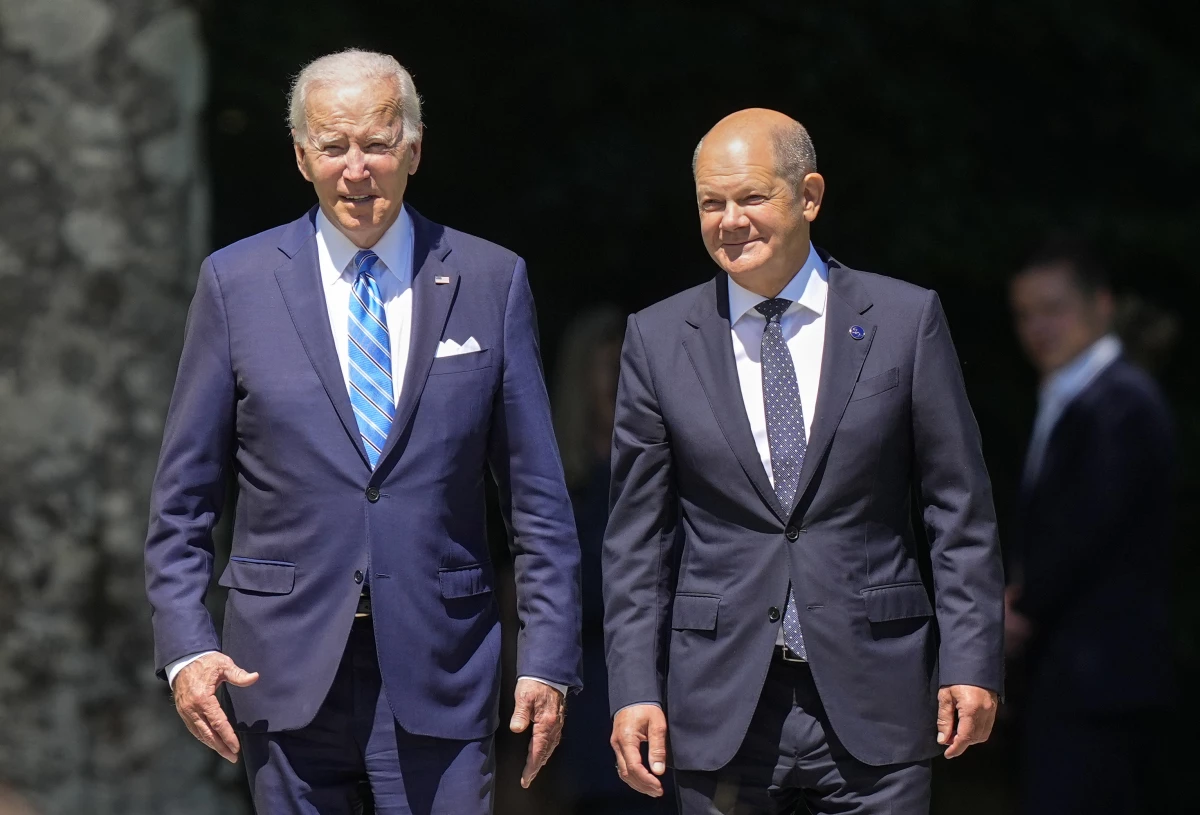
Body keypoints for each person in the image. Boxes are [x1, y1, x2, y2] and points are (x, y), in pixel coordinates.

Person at [143, 49, 582, 814]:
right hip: (279, 670)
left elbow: (537, 499)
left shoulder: (488, 279)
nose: (356, 168)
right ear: (301, 154)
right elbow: (182, 501)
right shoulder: (234, 284)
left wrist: (547, 658)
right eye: (334, 145)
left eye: (376, 144)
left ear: (413, 149)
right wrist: (186, 646)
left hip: (442, 664)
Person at [602, 109, 1004, 814]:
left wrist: (971, 660)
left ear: (809, 195)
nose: (730, 220)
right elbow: (637, 538)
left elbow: (957, 509)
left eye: (751, 196)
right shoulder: (659, 338)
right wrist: (635, 685)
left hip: (875, 697)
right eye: (710, 202)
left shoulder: (906, 321)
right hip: (720, 706)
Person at [1006, 238, 1176, 815]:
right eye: (1025, 314)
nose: (1037, 327)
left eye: (1053, 308)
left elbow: (1084, 532)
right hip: (1075, 678)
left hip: (1103, 683)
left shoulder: (1120, 404)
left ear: (1101, 304)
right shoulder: (1076, 396)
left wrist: (1019, 608)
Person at [549, 306, 675, 813]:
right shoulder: (557, 483)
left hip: (670, 682)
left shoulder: (675, 474)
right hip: (584, 689)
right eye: (612, 371)